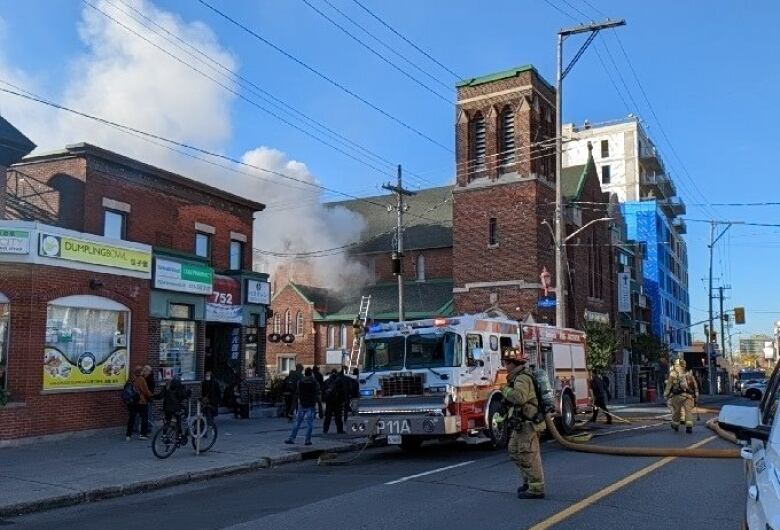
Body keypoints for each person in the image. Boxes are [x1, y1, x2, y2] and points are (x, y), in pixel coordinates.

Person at [501, 353, 545, 500]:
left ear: (514, 364)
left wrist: (505, 390)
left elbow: (519, 398)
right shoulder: (516, 378)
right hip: (520, 423)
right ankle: (528, 482)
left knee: (528, 455)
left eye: (507, 363)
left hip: (528, 424)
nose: (505, 366)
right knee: (514, 451)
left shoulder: (522, 378)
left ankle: (536, 488)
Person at [285, 367, 320, 445]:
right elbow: (317, 394)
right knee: (310, 424)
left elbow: (297, 394)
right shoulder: (314, 382)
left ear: (305, 373)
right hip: (310, 405)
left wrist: (292, 408)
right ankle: (307, 440)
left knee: (297, 423)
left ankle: (291, 438)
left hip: (301, 404)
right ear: (311, 373)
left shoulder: (300, 382)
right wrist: (318, 406)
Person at [664, 357, 699, 433]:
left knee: (677, 411)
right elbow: (695, 385)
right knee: (688, 411)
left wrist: (666, 395)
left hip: (677, 396)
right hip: (689, 396)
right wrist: (696, 395)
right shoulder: (689, 374)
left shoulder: (673, 375)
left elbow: (668, 386)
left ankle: (675, 425)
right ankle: (689, 426)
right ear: (684, 366)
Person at [126, 366, 153, 440]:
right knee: (144, 418)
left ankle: (128, 435)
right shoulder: (141, 379)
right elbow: (146, 391)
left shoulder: (131, 379)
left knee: (132, 418)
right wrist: (151, 396)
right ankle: (143, 434)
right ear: (140, 372)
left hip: (132, 401)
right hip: (141, 401)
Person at [323, 369, 346, 434]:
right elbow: (343, 391)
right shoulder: (339, 381)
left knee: (328, 417)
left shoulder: (327, 381)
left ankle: (325, 430)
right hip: (337, 402)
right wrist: (343, 400)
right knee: (338, 417)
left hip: (329, 402)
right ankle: (339, 430)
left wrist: (325, 399)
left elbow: (324, 391)